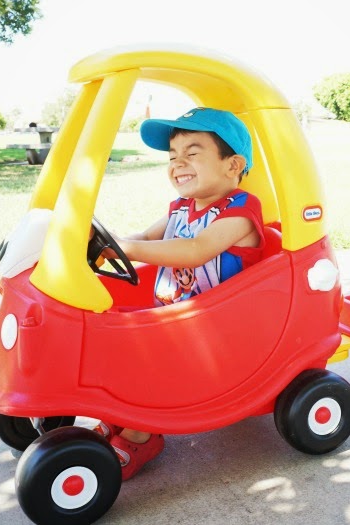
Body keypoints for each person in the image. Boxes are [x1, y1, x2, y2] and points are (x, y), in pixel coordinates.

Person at [93, 107, 265, 480]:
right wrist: (104, 242)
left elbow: (195, 251)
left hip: (221, 330)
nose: (177, 164)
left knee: (154, 355)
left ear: (232, 165)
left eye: (191, 153)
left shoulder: (240, 211)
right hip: (177, 319)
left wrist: (130, 249)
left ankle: (142, 433)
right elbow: (141, 238)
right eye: (172, 157)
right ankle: (120, 416)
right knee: (114, 339)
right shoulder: (180, 207)